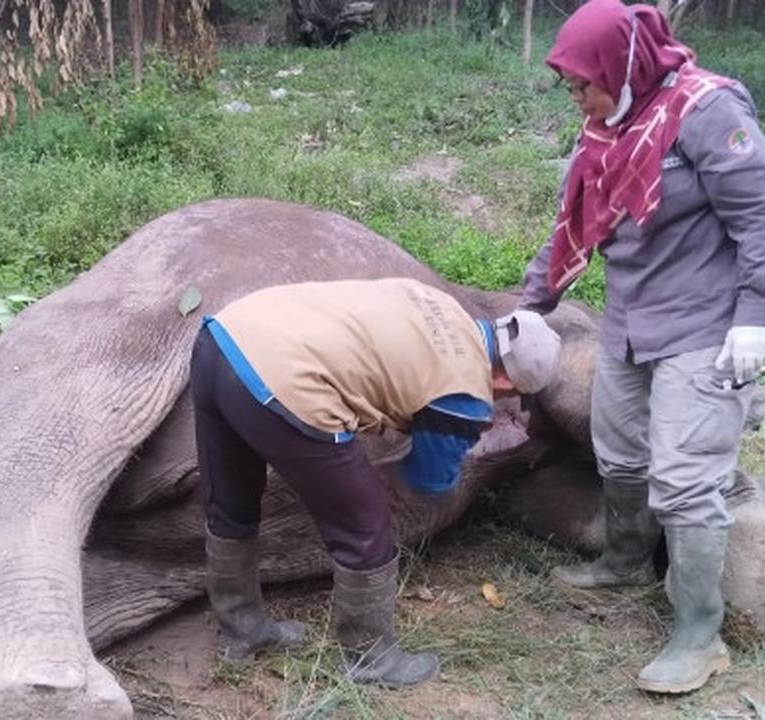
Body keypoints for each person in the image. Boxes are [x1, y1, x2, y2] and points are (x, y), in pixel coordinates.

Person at [516, 0, 765, 695]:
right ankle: (624, 561)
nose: (577, 97)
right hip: (632, 324)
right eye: (570, 85)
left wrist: (754, 315)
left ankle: (701, 632)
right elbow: (568, 231)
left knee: (684, 475)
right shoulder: (602, 135)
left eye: (584, 82)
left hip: (704, 327)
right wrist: (526, 310)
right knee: (620, 452)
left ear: (623, 64)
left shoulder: (706, 112)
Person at [191, 277, 561, 687]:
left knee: (231, 502)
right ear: (509, 383)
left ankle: (241, 632)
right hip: (286, 382)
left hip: (222, 341)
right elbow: (428, 479)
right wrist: (449, 448)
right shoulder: (466, 393)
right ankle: (372, 661)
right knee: (366, 529)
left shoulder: (441, 304)